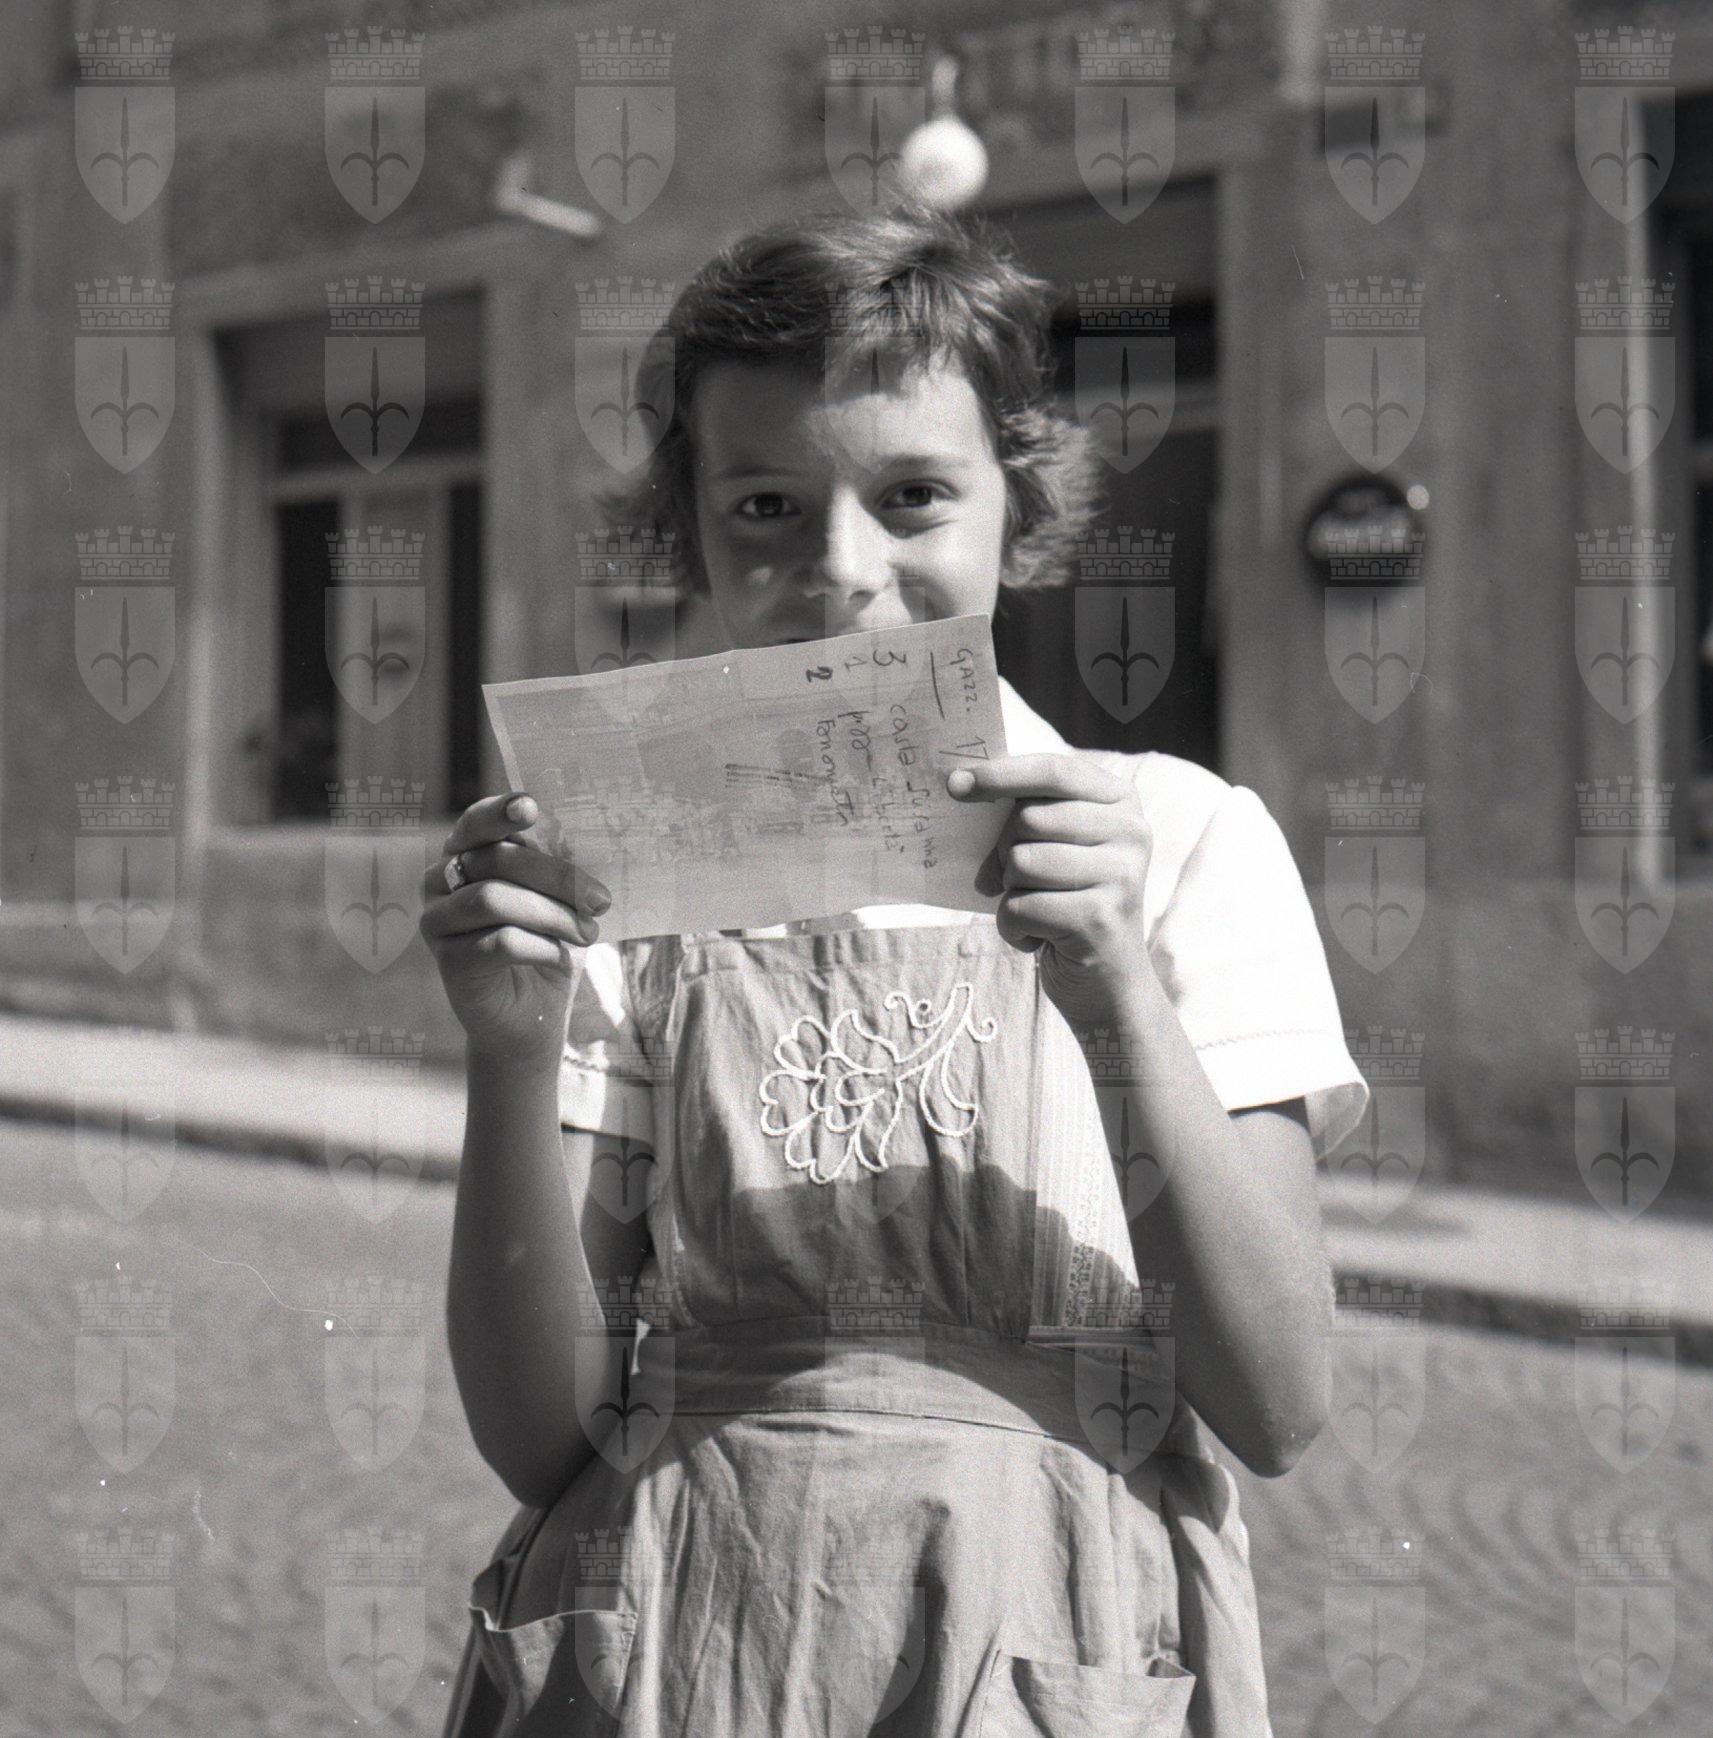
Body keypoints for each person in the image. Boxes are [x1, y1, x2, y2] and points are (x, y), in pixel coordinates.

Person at [425, 206, 1369, 1738]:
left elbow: (1275, 1400)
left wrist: (1114, 986)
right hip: (689, 1639)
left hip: (1047, 1639)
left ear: (1019, 500)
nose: (842, 569)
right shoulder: (627, 885)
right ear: (692, 529)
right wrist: (512, 1050)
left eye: (913, 495)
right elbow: (541, 1439)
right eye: (765, 505)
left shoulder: (1183, 839)